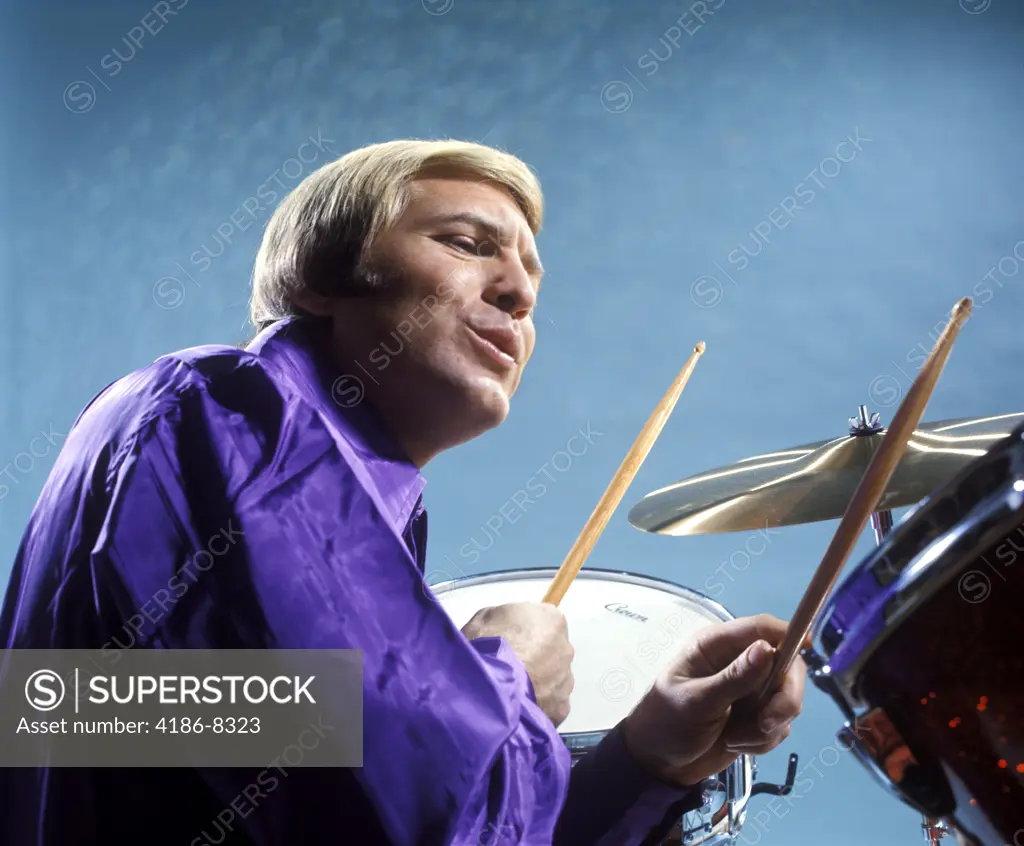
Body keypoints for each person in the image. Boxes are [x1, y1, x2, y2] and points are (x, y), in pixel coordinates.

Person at [0, 139, 805, 845]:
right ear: (323, 280)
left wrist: (647, 759)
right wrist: (507, 679)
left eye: (531, 275)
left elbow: (114, 720)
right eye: (467, 244)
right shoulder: (227, 409)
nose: (520, 295)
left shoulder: (350, 508)